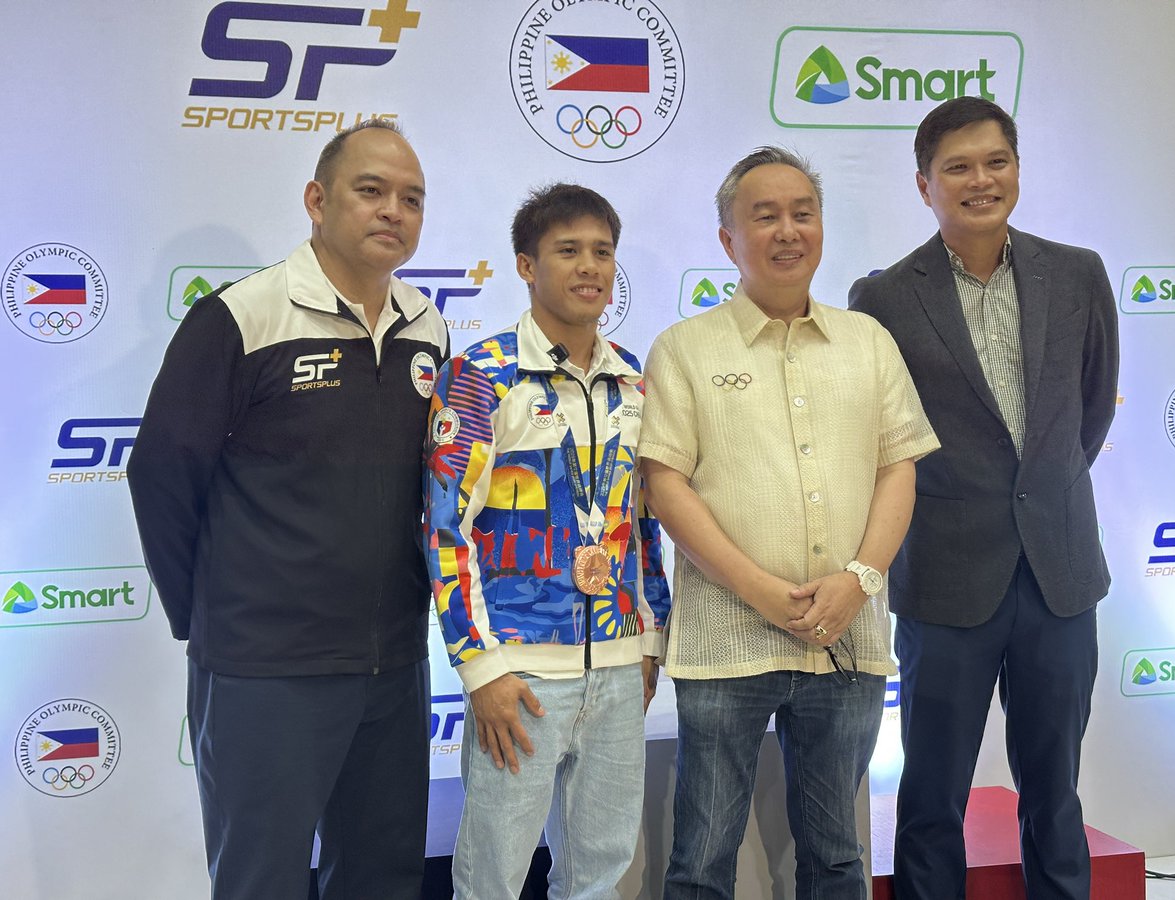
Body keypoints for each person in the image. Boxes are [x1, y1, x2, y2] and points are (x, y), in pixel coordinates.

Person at [127, 118, 448, 900]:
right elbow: (162, 476)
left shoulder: (426, 326)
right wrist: (206, 613)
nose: (392, 212)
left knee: (380, 877)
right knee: (260, 880)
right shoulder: (241, 317)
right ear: (316, 198)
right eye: (370, 191)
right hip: (265, 668)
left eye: (410, 198)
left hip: (392, 662)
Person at [639, 147, 940, 899]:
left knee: (837, 855)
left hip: (848, 634)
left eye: (802, 213)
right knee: (702, 857)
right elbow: (666, 485)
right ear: (727, 240)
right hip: (725, 638)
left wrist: (859, 581)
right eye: (763, 215)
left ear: (821, 227)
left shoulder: (867, 343)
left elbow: (897, 468)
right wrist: (761, 590)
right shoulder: (685, 348)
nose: (786, 230)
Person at [848, 96, 1119, 900]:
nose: (980, 180)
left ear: (1018, 170)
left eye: (995, 162)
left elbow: (1092, 407)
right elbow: (883, 440)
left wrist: (1044, 489)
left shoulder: (1078, 273)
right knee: (932, 801)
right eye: (957, 168)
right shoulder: (887, 297)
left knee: (1056, 793)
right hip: (945, 580)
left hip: (1060, 576)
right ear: (924, 184)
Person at [424, 182, 670, 898]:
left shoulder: (633, 381)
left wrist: (648, 640)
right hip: (520, 673)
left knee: (600, 869)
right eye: (568, 251)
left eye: (602, 251)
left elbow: (643, 526)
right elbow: (446, 533)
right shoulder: (482, 376)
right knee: (494, 871)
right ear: (527, 266)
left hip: (621, 668)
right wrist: (481, 669)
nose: (589, 266)